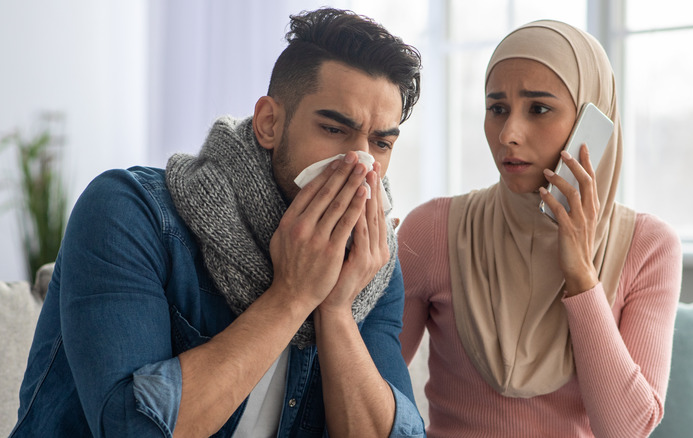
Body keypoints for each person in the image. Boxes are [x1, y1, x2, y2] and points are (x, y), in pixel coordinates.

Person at [12, 8, 424, 438]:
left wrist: (336, 309)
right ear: (269, 123)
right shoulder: (129, 212)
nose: (360, 165)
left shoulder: (369, 262)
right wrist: (294, 294)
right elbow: (134, 429)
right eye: (334, 129)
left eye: (380, 143)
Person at [398, 20, 682, 438]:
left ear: (593, 121)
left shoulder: (649, 246)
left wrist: (582, 277)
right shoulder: (432, 229)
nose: (508, 134)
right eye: (497, 109)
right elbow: (367, 394)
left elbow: (626, 430)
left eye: (539, 109)